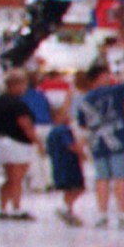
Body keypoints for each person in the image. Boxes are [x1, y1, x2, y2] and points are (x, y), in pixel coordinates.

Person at [74, 63, 124, 229]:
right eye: (107, 74)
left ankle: (102, 215)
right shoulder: (115, 91)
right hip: (119, 141)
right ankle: (123, 215)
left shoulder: (85, 100)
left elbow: (83, 125)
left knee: (102, 179)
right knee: (122, 178)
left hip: (97, 144)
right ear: (101, 76)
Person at [0, 71, 40, 221]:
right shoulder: (17, 104)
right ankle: (17, 209)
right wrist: (38, 142)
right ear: (15, 85)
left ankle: (3, 208)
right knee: (17, 178)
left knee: (9, 176)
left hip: (0, 142)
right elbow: (25, 124)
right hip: (17, 143)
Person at [47, 71, 89, 225]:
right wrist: (82, 153)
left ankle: (68, 207)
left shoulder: (55, 131)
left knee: (69, 187)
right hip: (69, 163)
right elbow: (71, 145)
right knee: (78, 186)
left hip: (61, 163)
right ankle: (66, 207)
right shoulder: (64, 131)